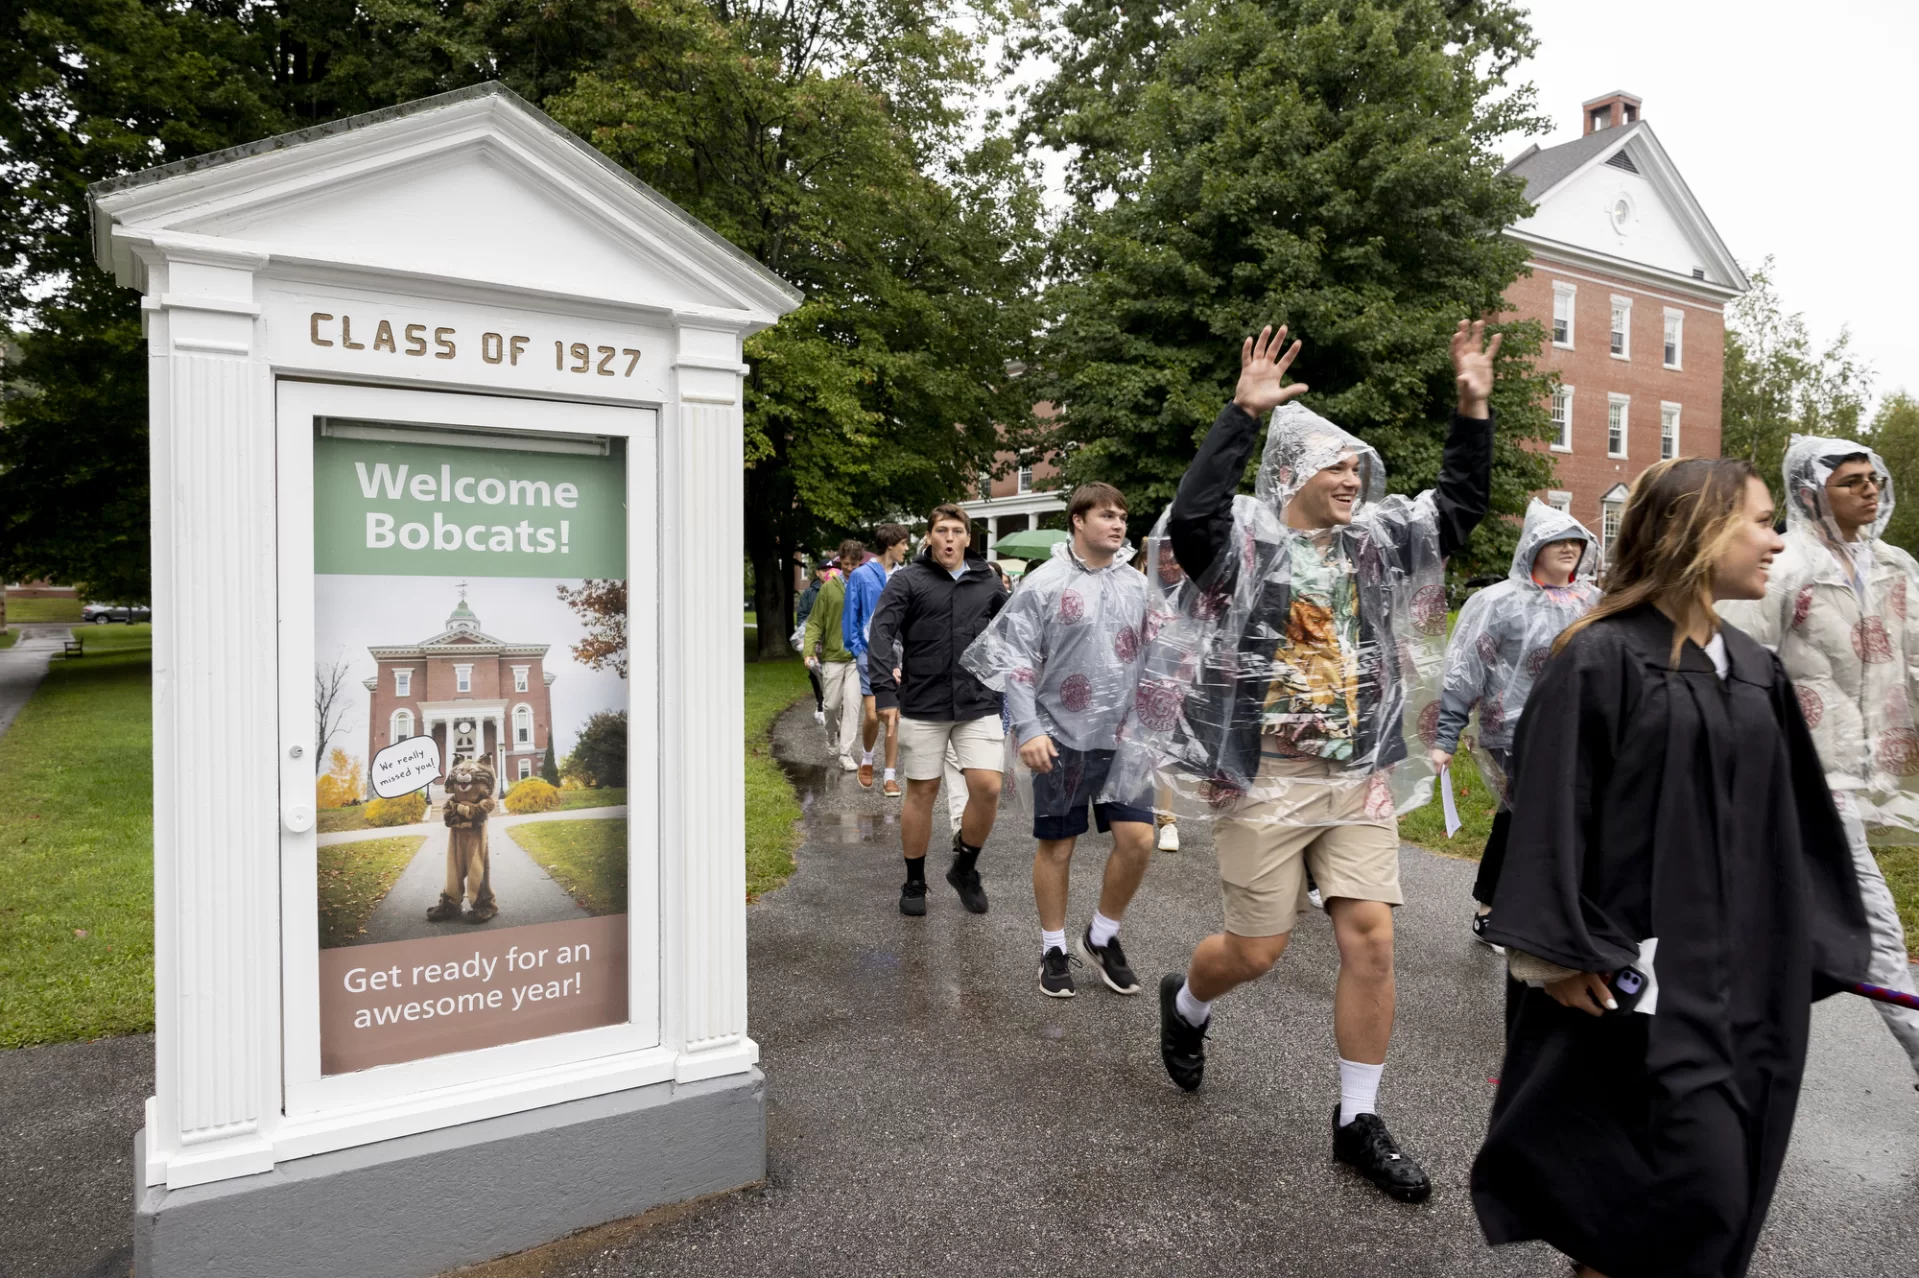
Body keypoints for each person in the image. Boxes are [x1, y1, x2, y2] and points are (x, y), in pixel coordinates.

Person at [1129, 320, 1499, 1204]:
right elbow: (1190, 522)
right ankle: (1187, 1001)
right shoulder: (1242, 548)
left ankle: (1356, 1121)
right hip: (1264, 777)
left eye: (1357, 470)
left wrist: (1472, 408)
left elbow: (1456, 508)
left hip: (1355, 773)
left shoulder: (1376, 544)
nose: (1351, 479)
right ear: (1291, 473)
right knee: (1255, 950)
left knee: (1370, 939)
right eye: (1335, 467)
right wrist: (1239, 414)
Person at [1472, 457, 1869, 1278]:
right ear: (1697, 530)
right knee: (1639, 1206)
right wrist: (1552, 952)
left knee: (1690, 1203)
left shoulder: (1752, 670)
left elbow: (1790, 829)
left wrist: (1810, 940)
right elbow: (1546, 805)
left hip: (1734, 986)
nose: (1776, 538)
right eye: (1759, 521)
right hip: (1626, 988)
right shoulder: (1600, 656)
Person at [1717, 436, 1919, 1086]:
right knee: (1870, 919)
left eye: (1872, 479)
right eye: (1849, 481)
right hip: (1797, 775)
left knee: (1773, 921)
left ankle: (1712, 1045)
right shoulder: (1780, 564)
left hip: (1866, 769)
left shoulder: (1895, 567)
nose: (1869, 490)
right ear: (1810, 492)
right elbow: (1734, 663)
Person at [964, 483, 1154, 997]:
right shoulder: (1043, 584)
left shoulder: (1138, 586)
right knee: (1058, 846)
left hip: (1125, 738)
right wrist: (1027, 729)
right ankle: (1053, 946)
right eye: (1107, 516)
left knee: (1139, 841)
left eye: (1122, 516)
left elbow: (1158, 657)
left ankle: (1103, 934)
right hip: (1060, 736)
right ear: (1077, 520)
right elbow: (1016, 661)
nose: (1118, 524)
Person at [1430, 500, 1600, 945]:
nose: (1568, 548)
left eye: (1575, 540)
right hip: (1514, 733)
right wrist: (1445, 737)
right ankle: (1494, 909)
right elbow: (1465, 670)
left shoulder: (1595, 602)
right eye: (1557, 539)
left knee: (1556, 819)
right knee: (1523, 818)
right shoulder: (1499, 603)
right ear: (1533, 546)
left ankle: (1543, 910)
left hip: (1580, 732)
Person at [868, 505, 1008, 915]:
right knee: (923, 792)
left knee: (988, 787)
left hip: (977, 702)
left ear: (968, 538)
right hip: (922, 704)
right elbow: (881, 633)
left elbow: (1015, 630)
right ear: (928, 538)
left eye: (957, 531)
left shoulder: (988, 582)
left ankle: (965, 866)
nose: (949, 538)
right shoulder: (908, 581)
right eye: (941, 531)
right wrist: (884, 692)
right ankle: (914, 880)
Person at [845, 524, 909, 796]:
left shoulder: (906, 576)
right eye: (903, 543)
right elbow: (852, 614)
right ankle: (868, 758)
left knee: (893, 715)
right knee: (873, 714)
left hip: (898, 654)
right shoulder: (861, 575)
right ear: (890, 545)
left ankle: (890, 776)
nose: (907, 548)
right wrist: (858, 648)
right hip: (868, 652)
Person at [803, 542, 865, 771]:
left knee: (851, 705)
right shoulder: (829, 588)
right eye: (846, 564)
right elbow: (816, 621)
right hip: (832, 655)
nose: (849, 568)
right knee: (830, 706)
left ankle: (845, 753)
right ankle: (831, 735)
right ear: (840, 562)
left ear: (860, 563)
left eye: (854, 564)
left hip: (856, 657)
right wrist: (809, 651)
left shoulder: (864, 585)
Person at [795, 558, 832, 725]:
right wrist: (804, 638)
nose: (827, 572)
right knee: (815, 673)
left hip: (831, 640)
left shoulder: (839, 588)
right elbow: (802, 616)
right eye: (823, 569)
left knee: (831, 673)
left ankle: (827, 706)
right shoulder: (810, 593)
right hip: (814, 640)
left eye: (830, 569)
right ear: (817, 573)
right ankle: (820, 705)